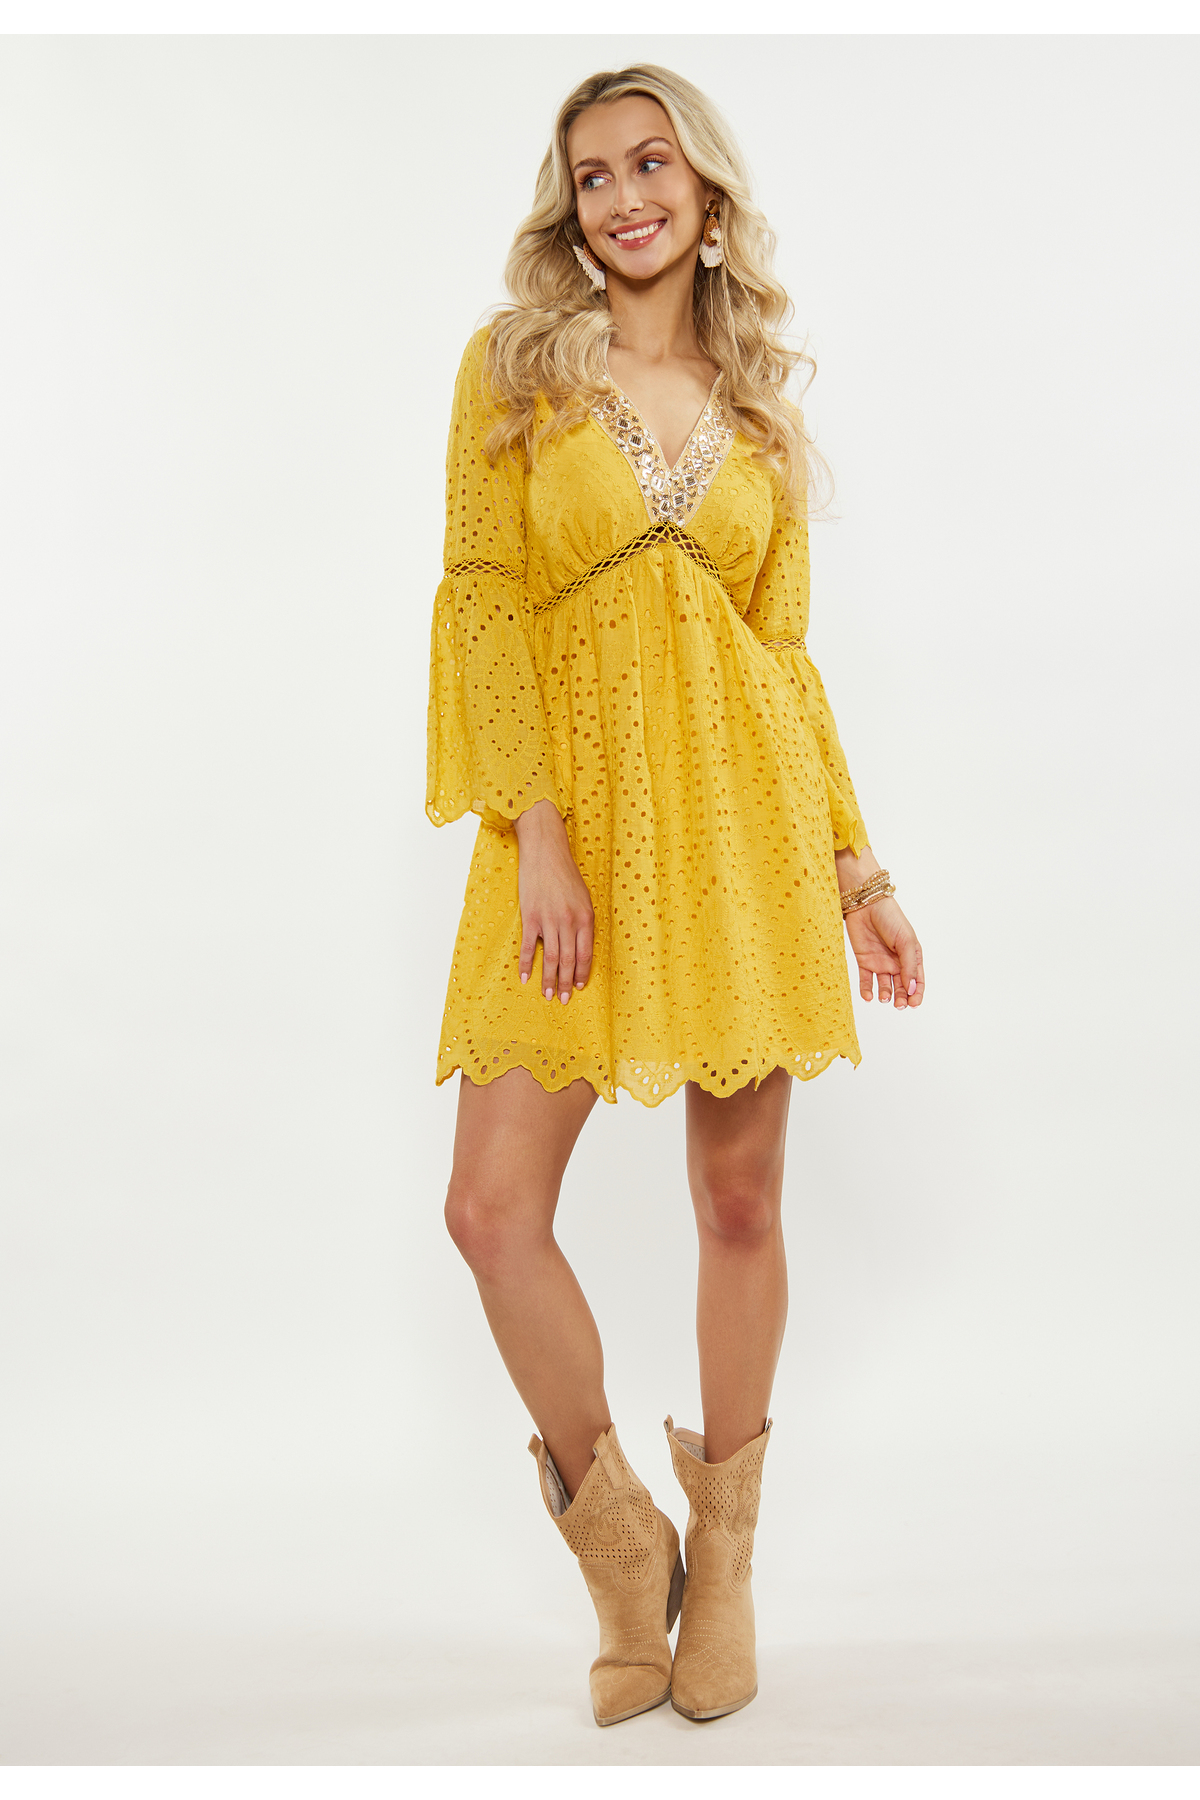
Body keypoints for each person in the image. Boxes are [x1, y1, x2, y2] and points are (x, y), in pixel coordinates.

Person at [426, 63, 925, 1728]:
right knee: (491, 1210)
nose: (624, 196)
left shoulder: (761, 416)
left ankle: (733, 1563)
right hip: (568, 837)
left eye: (652, 164)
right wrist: (537, 835)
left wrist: (855, 866)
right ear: (569, 210)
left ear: (707, 194)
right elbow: (481, 599)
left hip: (742, 834)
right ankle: (622, 1549)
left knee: (738, 1202)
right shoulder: (514, 371)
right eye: (592, 175)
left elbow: (783, 662)